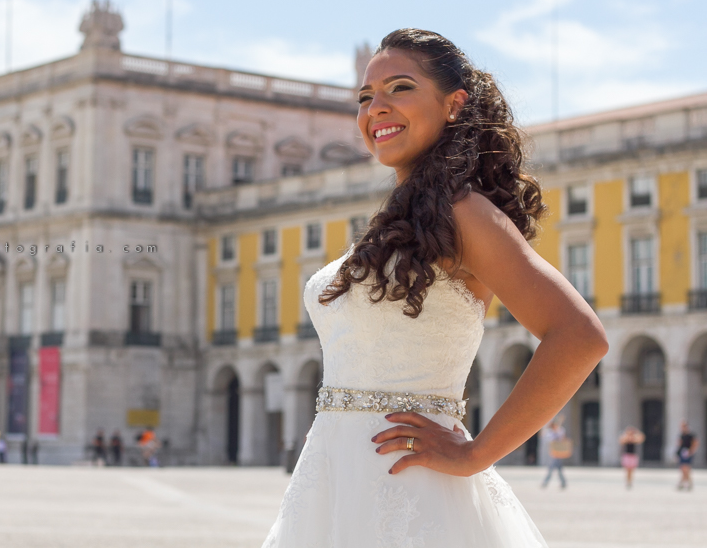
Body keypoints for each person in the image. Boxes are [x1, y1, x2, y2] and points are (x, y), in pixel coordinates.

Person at [261, 29, 608, 548]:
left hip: (411, 488)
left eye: (399, 87)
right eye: (364, 96)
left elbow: (579, 336)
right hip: (332, 484)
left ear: (453, 105)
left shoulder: (463, 212)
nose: (375, 107)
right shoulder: (406, 218)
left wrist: (475, 454)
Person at [541, 417, 568, 489]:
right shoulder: (550, 432)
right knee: (557, 468)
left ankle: (546, 482)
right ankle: (563, 482)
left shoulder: (561, 430)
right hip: (552, 453)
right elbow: (547, 440)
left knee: (553, 468)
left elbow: (563, 439)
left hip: (558, 452)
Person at [676, 420, 699, 491]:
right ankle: (687, 483)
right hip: (682, 453)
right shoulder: (681, 435)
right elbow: (679, 444)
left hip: (688, 453)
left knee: (686, 468)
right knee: (683, 469)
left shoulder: (691, 435)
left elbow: (696, 443)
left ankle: (683, 483)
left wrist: (691, 451)